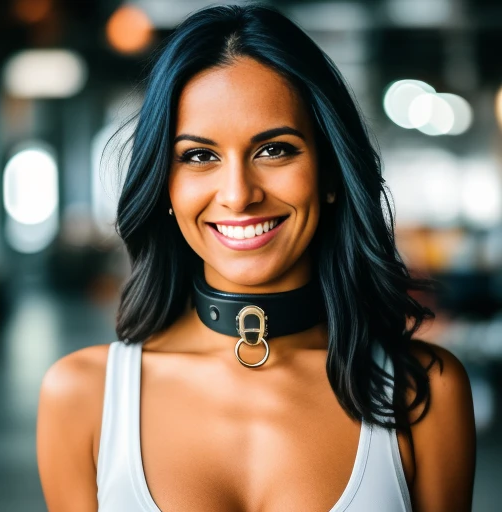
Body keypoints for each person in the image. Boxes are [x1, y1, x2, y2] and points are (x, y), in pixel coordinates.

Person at [37, 4, 476, 511]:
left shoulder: (425, 393)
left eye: (275, 150)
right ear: (164, 185)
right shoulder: (83, 396)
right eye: (199, 156)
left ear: (331, 172)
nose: (238, 194)